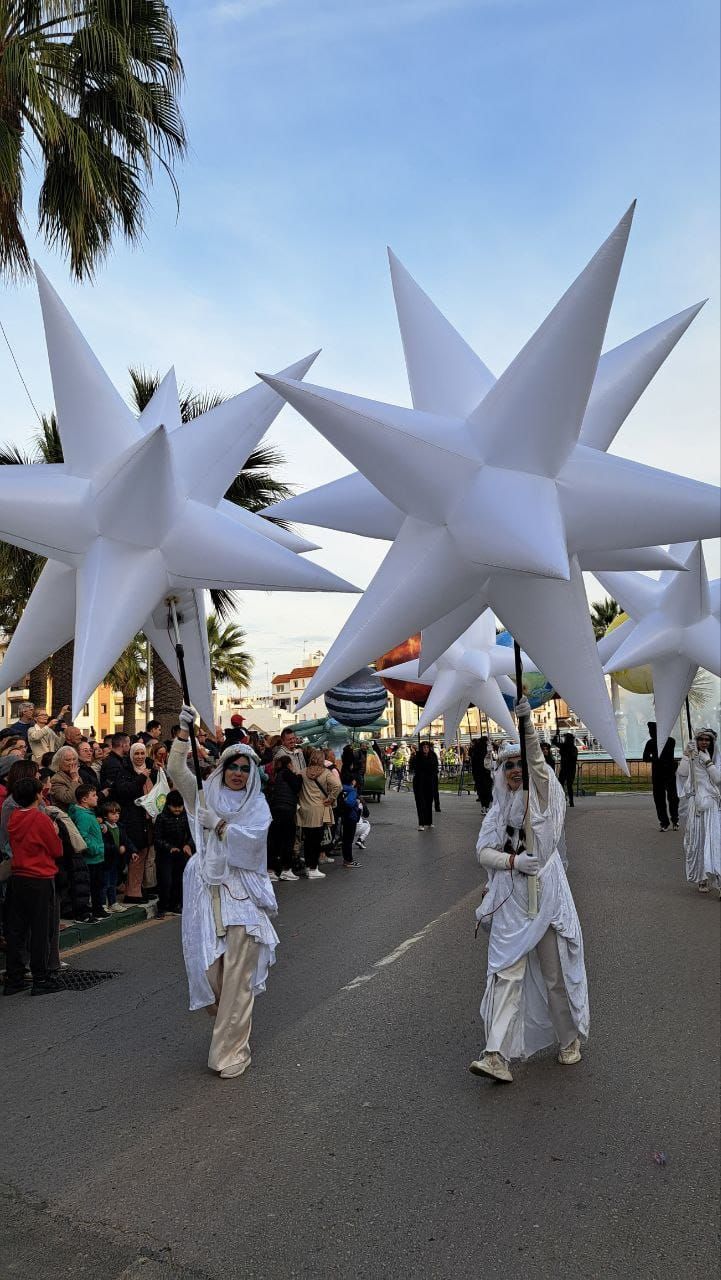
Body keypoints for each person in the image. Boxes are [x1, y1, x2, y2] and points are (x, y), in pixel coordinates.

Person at [469, 698, 589, 1084]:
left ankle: (568, 1039)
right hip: (512, 899)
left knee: (554, 975)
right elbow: (482, 851)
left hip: (546, 898)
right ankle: (495, 1054)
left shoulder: (544, 796)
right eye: (509, 765)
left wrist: (528, 730)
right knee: (506, 974)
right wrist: (511, 862)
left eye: (520, 763)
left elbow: (538, 767)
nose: (516, 770)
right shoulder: (498, 810)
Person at [169, 703, 279, 1081]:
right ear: (222, 767)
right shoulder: (202, 795)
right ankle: (226, 1023)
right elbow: (176, 770)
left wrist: (219, 826)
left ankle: (230, 1052)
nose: (238, 773)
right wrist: (182, 732)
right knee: (211, 975)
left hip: (243, 895)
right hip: (206, 893)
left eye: (245, 769)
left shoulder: (257, 805)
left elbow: (253, 845)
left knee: (237, 978)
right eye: (233, 766)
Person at [4, 776, 64, 996]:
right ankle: (41, 978)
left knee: (17, 930)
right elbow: (56, 850)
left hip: (18, 876)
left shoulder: (14, 817)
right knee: (40, 930)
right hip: (39, 877)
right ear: (37, 795)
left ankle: (14, 978)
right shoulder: (40, 819)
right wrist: (55, 833)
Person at [676, 728, 721, 895]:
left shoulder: (715, 757)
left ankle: (719, 879)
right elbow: (682, 773)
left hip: (712, 803)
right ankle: (702, 878)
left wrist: (707, 761)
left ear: (711, 742)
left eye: (707, 740)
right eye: (701, 739)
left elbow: (718, 779)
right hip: (696, 804)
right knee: (698, 839)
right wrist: (686, 755)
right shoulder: (691, 755)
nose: (704, 742)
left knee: (714, 839)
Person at [298, 748, 341, 880]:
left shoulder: (302, 772)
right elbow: (338, 786)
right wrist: (331, 798)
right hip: (319, 809)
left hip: (305, 809)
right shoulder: (326, 773)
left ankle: (307, 866)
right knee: (316, 841)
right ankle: (313, 868)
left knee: (307, 840)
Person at [69, 783, 109, 920]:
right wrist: (95, 849)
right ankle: (91, 910)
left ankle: (98, 908)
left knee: (98, 885)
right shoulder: (83, 816)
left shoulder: (88, 813)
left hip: (97, 857)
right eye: (94, 795)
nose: (97, 797)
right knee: (92, 886)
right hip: (91, 858)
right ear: (84, 799)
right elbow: (83, 836)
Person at [121, 742, 154, 902]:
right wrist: (141, 777)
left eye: (142, 753)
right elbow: (125, 791)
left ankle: (139, 888)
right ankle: (132, 893)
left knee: (145, 854)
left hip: (147, 819)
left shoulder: (150, 770)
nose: (140, 757)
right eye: (136, 753)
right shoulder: (125, 772)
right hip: (133, 819)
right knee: (136, 855)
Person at [153, 789, 195, 915]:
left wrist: (188, 845)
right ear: (168, 805)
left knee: (179, 881)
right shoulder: (162, 818)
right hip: (165, 855)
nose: (177, 809)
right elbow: (157, 838)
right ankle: (162, 907)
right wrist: (169, 847)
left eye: (180, 806)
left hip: (181, 854)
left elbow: (192, 834)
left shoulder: (185, 817)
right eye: (174, 807)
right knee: (165, 881)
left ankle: (175, 905)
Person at [266, 755, 302, 881]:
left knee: (274, 840)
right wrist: (299, 776)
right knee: (288, 840)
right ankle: (286, 870)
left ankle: (271, 870)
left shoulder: (277, 775)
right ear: (289, 764)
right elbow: (297, 787)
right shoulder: (287, 773)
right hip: (286, 809)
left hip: (275, 809)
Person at [98, 799, 134, 913]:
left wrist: (133, 851)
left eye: (118, 813)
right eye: (113, 813)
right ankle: (102, 904)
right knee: (104, 883)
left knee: (113, 882)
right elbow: (103, 844)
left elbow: (126, 840)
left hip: (116, 860)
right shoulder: (103, 828)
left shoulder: (120, 826)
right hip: (106, 860)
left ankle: (113, 902)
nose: (116, 816)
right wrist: (117, 848)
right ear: (105, 815)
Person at [642, 722, 679, 831]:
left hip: (667, 774)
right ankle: (667, 822)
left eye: (652, 731)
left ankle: (672, 820)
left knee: (671, 798)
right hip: (660, 774)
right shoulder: (653, 743)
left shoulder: (669, 741)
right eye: (650, 731)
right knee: (661, 799)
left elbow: (646, 758)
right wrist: (657, 759)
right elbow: (645, 757)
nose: (650, 733)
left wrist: (656, 759)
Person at [410, 740, 438, 830]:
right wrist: (413, 757)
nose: (426, 749)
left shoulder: (433, 756)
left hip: (430, 782)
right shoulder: (417, 756)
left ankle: (429, 822)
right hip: (419, 783)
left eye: (427, 747)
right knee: (420, 803)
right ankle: (421, 823)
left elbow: (435, 769)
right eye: (424, 747)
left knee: (429, 802)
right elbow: (412, 767)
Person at [339, 777, 362, 868]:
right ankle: (348, 860)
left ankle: (347, 859)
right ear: (353, 781)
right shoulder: (352, 790)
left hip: (343, 815)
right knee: (349, 839)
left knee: (345, 839)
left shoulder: (341, 787)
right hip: (351, 816)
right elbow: (350, 803)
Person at [49, 746, 80, 811]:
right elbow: (69, 799)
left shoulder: (74, 774)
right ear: (59, 762)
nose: (72, 762)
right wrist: (75, 780)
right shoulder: (56, 779)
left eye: (74, 759)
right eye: (68, 760)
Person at [558, 733, 579, 807]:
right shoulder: (573, 748)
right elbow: (574, 758)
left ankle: (565, 798)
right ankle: (571, 801)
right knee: (569, 785)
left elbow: (555, 742)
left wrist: (557, 735)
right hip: (570, 769)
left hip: (565, 768)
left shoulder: (564, 747)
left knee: (562, 784)